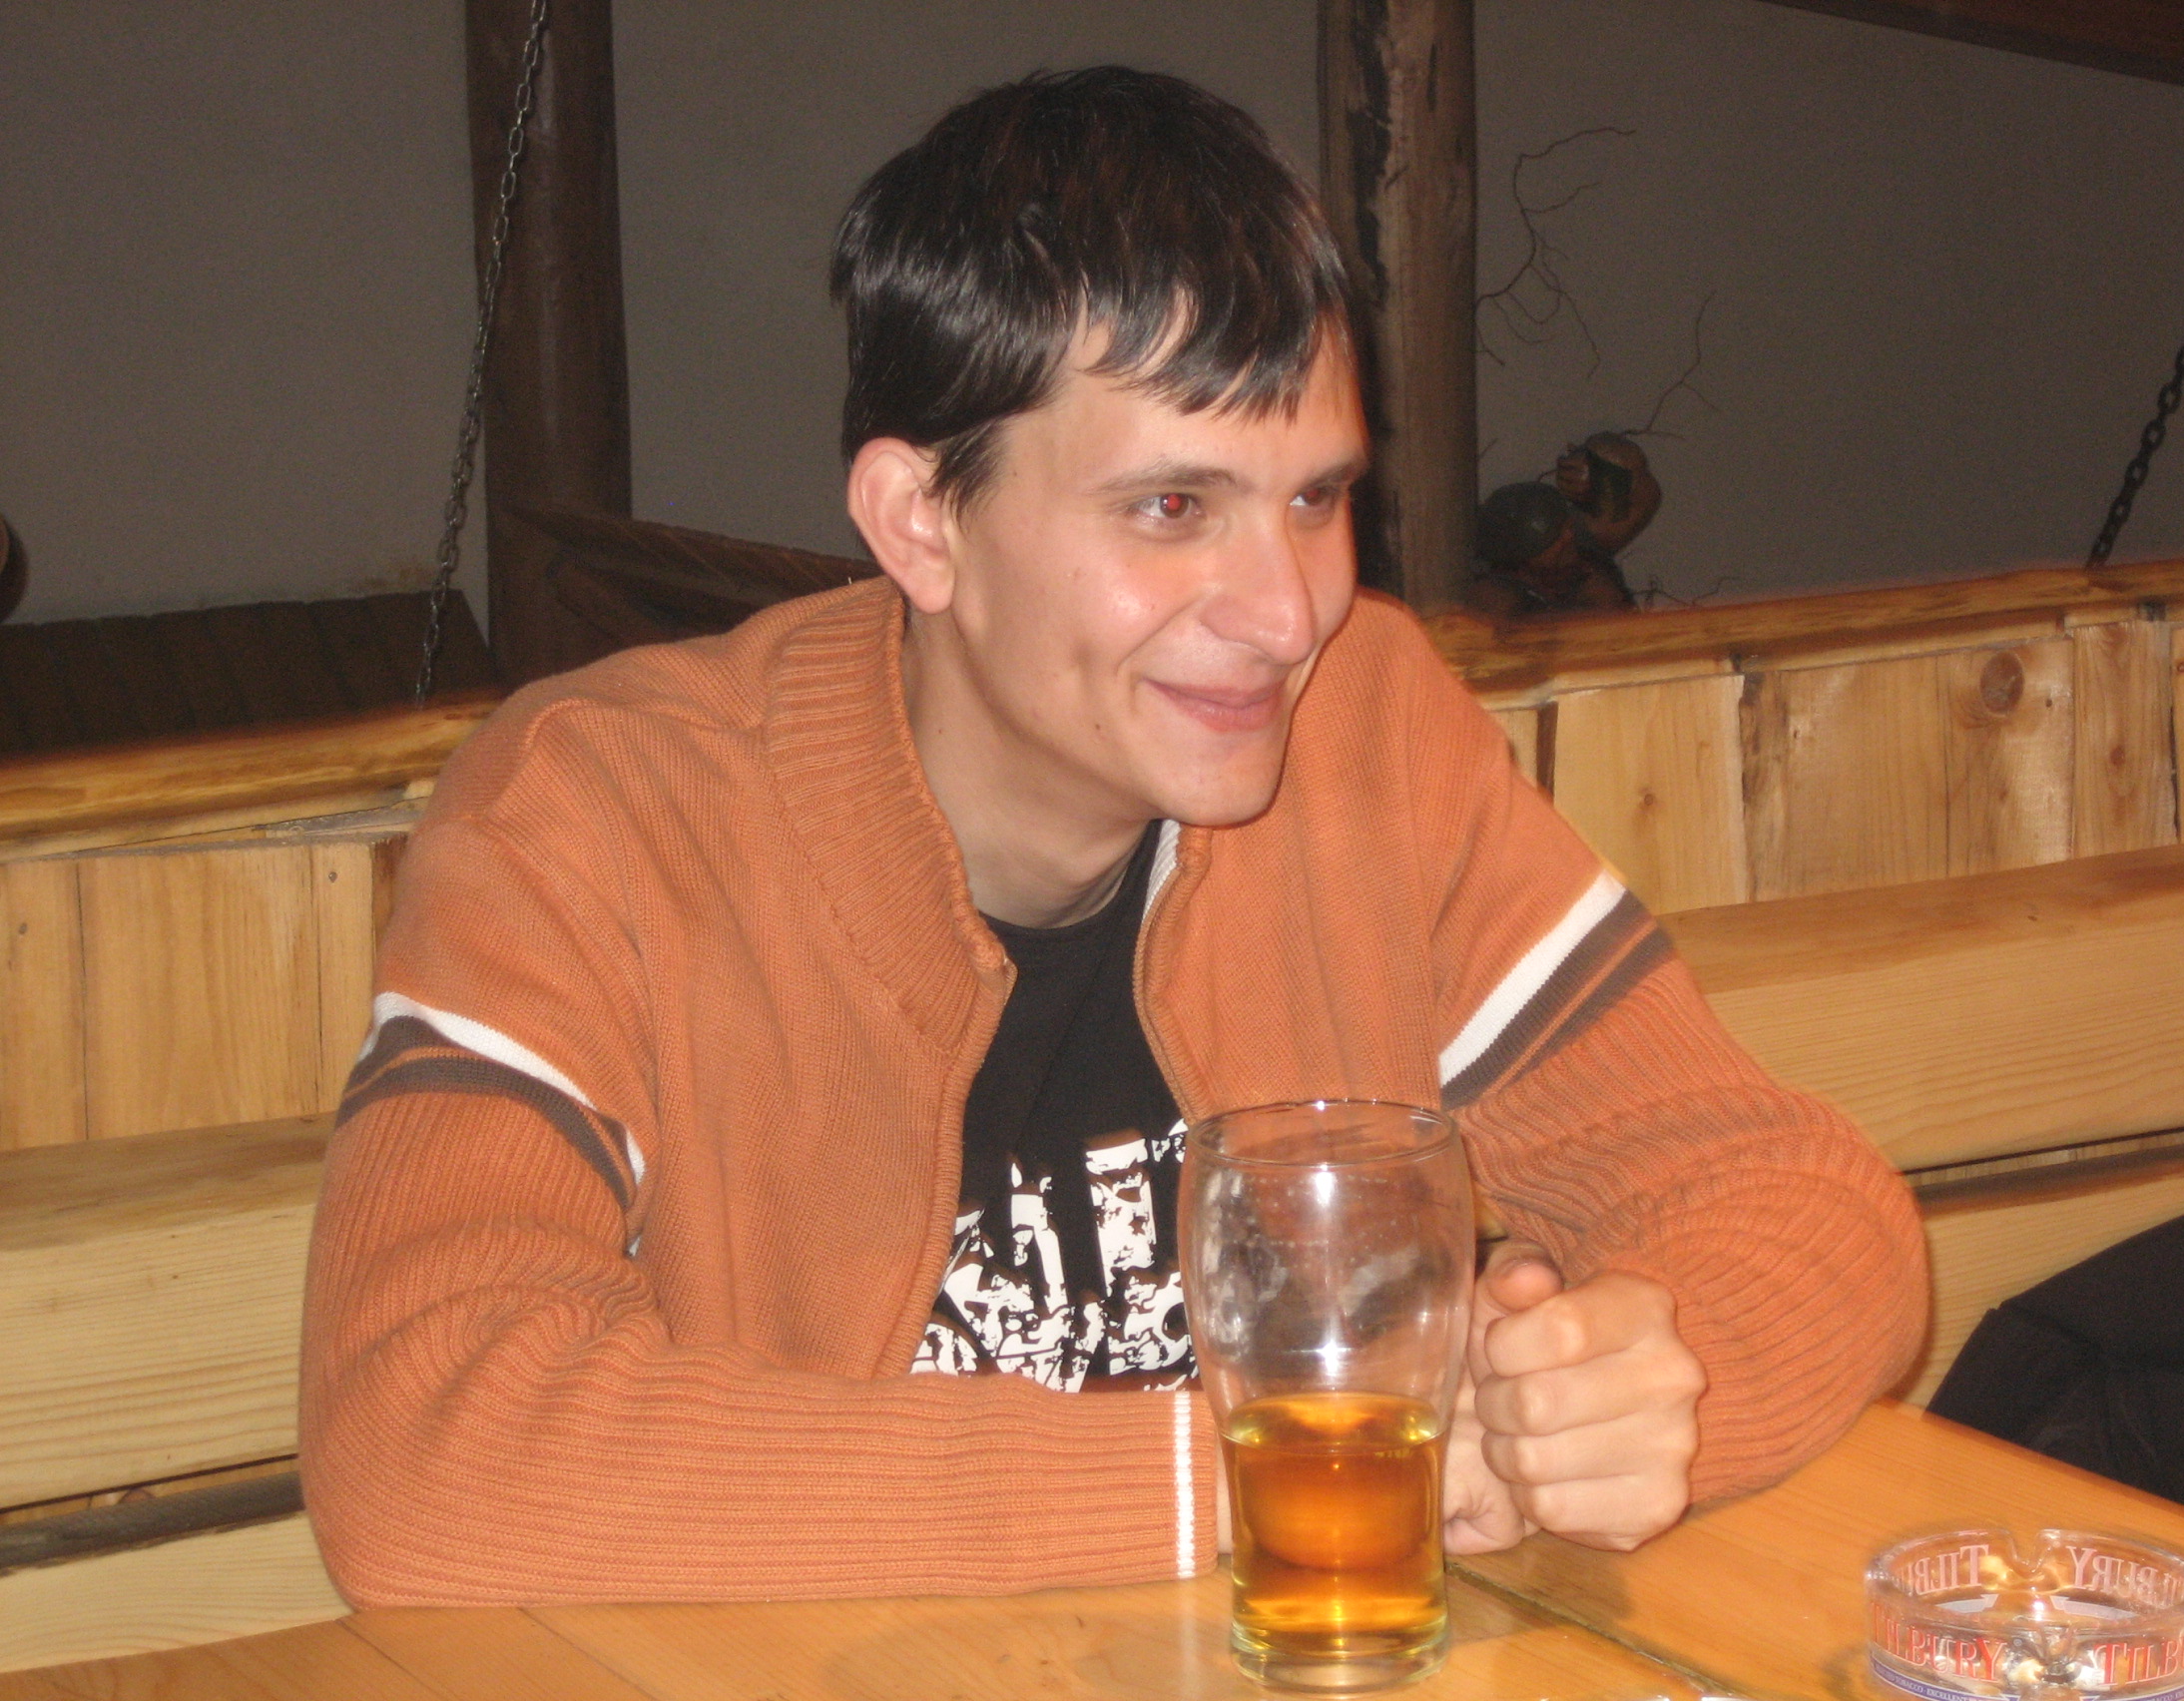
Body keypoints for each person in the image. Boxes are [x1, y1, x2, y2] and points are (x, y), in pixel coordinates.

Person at [299, 66, 1925, 1606]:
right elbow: (421, 1446)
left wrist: (1637, 1396)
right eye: (1172, 508)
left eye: (1315, 499)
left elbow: (1797, 1198)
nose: (1288, 613)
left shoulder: (1367, 733)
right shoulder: (598, 816)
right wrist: (1264, 1481)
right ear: (921, 523)